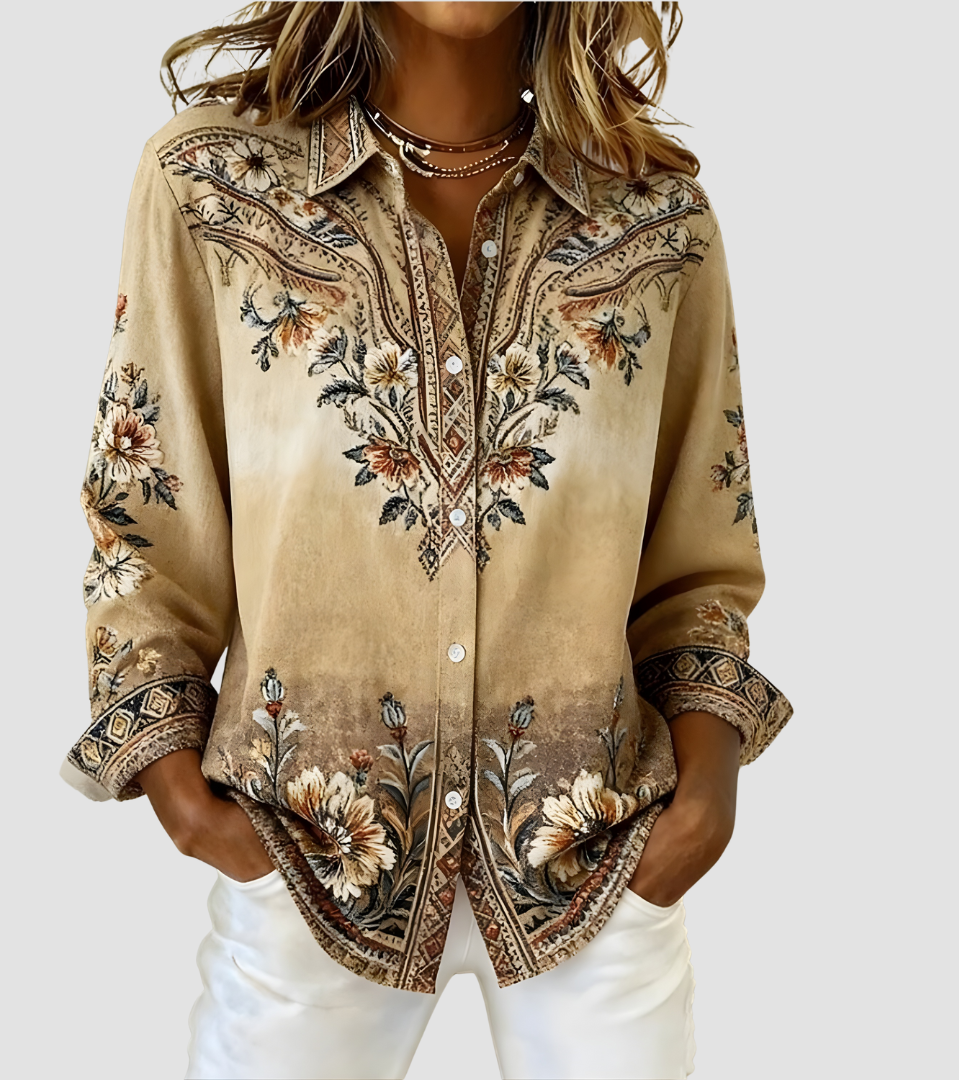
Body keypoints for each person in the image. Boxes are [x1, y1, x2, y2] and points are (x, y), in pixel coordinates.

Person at [61, 3, 793, 1077]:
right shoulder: (212, 188)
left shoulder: (656, 223)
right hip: (309, 858)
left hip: (596, 864)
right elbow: (145, 517)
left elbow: (700, 556)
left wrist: (704, 806)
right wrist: (184, 801)